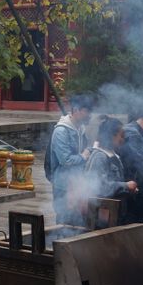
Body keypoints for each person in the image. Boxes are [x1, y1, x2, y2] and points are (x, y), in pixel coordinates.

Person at [44, 94, 94, 224]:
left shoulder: (80, 129)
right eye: (87, 111)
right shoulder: (61, 131)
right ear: (76, 110)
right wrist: (84, 156)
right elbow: (66, 161)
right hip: (63, 185)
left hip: (77, 182)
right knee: (65, 220)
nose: (90, 115)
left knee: (78, 220)